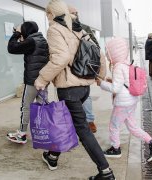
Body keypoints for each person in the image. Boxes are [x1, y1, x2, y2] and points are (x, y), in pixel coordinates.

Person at [34, 0, 115, 179]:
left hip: (69, 89)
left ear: (51, 14)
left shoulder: (55, 28)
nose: (47, 18)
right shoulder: (79, 28)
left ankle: (105, 172)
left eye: (47, 15)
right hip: (83, 87)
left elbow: (61, 58)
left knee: (82, 129)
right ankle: (53, 156)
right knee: (67, 122)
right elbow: (99, 54)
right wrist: (98, 76)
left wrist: (42, 79)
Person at [96, 37, 152, 162]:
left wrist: (101, 83)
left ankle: (115, 149)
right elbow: (123, 82)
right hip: (131, 100)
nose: (106, 55)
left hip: (123, 103)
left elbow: (116, 88)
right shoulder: (127, 64)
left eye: (108, 52)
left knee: (114, 126)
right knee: (133, 127)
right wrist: (111, 81)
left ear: (114, 53)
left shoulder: (118, 67)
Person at [6, 21, 49, 144]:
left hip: (32, 81)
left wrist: (17, 34)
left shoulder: (31, 41)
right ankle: (43, 133)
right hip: (43, 80)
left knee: (26, 107)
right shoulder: (41, 40)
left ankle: (22, 134)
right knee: (42, 106)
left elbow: (12, 48)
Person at [68, 5, 98, 133]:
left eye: (76, 12)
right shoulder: (62, 28)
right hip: (69, 66)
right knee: (71, 96)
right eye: (73, 12)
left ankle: (90, 120)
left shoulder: (84, 28)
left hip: (83, 66)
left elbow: (96, 46)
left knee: (85, 95)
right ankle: (73, 122)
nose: (76, 14)